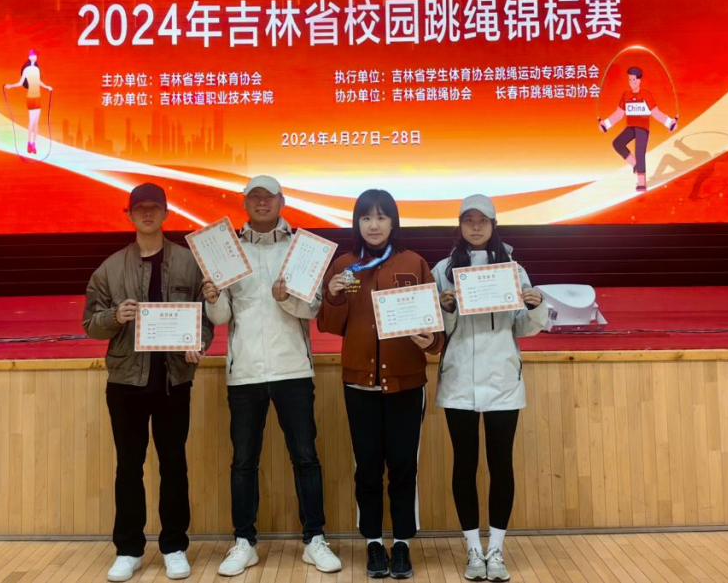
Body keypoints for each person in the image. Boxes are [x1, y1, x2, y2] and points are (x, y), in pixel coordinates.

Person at [203, 176, 342, 576]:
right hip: (245, 372)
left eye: (268, 197)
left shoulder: (300, 248)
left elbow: (312, 308)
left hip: (292, 368)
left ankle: (314, 539)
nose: (262, 203)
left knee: (306, 457)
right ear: (245, 203)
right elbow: (222, 317)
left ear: (282, 201)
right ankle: (244, 542)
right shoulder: (228, 250)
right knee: (243, 462)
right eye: (254, 197)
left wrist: (288, 299)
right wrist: (213, 298)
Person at [82, 183, 213, 583]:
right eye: (140, 208)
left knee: (174, 465)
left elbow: (205, 317)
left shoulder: (189, 263)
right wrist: (114, 317)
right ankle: (128, 549)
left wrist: (199, 343)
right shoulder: (109, 268)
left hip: (174, 380)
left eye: (155, 207)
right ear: (129, 215)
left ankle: (174, 546)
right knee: (129, 466)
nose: (148, 214)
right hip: (126, 382)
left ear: (167, 213)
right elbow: (90, 324)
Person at [318, 189, 445, 580]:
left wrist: (431, 340)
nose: (373, 225)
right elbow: (329, 325)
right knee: (367, 468)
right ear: (357, 223)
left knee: (404, 466)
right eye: (366, 217)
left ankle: (402, 543)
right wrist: (333, 296)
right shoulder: (345, 266)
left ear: (393, 222)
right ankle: (373, 542)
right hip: (359, 385)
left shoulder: (414, 263)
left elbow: (435, 332)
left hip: (406, 384)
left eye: (381, 217)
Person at [431, 195, 548, 582]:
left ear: (494, 225)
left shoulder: (513, 269)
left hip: (501, 379)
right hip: (460, 379)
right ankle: (472, 549)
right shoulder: (443, 270)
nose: (476, 227)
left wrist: (534, 306)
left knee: (501, 464)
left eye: (483, 220)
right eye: (469, 220)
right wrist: (445, 308)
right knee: (464, 465)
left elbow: (523, 327)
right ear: (460, 226)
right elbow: (435, 330)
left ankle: (495, 549)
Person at [598, 65, 677, 191]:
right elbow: (618, 114)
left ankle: (641, 182)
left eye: (634, 79)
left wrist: (669, 123)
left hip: (642, 128)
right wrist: (606, 125)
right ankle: (634, 164)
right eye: (630, 79)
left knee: (639, 152)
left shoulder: (646, 94)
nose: (632, 82)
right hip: (631, 127)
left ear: (639, 80)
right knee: (617, 143)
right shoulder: (626, 95)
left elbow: (656, 113)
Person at [4, 48, 52, 155]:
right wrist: (10, 86)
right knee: (31, 121)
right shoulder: (26, 70)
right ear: (29, 57)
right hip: (31, 97)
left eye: (35, 55)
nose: (33, 57)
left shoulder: (37, 69)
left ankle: (33, 144)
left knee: (36, 123)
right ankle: (28, 143)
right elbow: (20, 83)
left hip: (38, 96)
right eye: (32, 55)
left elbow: (39, 81)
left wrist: (47, 87)